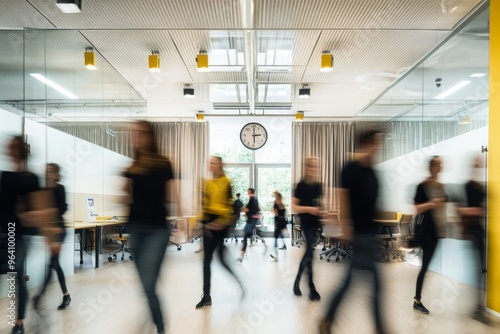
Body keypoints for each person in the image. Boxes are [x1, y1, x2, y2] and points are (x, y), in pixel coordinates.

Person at [320, 130, 386, 334]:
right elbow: (342, 199)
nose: (378, 146)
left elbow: (373, 203)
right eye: (376, 142)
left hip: (370, 234)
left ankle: (328, 319)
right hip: (359, 235)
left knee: (356, 284)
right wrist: (345, 228)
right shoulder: (350, 169)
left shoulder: (373, 172)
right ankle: (378, 327)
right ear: (366, 143)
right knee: (364, 285)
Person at [124, 120, 181, 334]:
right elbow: (126, 194)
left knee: (148, 284)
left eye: (140, 133)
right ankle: (153, 307)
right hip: (136, 227)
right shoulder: (132, 167)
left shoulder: (163, 163)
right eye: (134, 133)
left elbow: (172, 193)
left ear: (150, 136)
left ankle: (160, 327)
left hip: (157, 229)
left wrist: (181, 213)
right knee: (146, 284)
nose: (136, 137)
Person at [0, 135, 40, 334]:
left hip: (19, 233)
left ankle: (18, 322)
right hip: (4, 230)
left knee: (16, 276)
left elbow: (36, 209)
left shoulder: (31, 178)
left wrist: (26, 212)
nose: (8, 148)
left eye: (13, 145)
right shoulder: (5, 176)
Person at [196, 156, 242, 309]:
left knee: (221, 260)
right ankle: (206, 296)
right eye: (209, 163)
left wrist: (218, 224)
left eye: (214, 163)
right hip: (209, 224)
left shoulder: (226, 182)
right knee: (206, 262)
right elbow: (204, 205)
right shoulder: (206, 183)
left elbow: (228, 209)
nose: (211, 165)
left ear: (220, 165)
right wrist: (201, 223)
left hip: (220, 225)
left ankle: (239, 282)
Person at [33, 163, 71, 311]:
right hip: (49, 231)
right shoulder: (43, 190)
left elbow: (64, 207)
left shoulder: (59, 188)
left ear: (56, 174)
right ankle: (66, 295)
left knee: (52, 263)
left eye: (50, 172)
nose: (47, 174)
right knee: (55, 264)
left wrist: (51, 213)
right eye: (46, 171)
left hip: (59, 229)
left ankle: (40, 296)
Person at [412, 156, 447, 314]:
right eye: (439, 164)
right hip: (426, 231)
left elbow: (445, 206)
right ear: (432, 167)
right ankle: (417, 300)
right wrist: (432, 203)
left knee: (426, 267)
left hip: (437, 232)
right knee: (425, 267)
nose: (441, 167)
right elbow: (417, 209)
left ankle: (417, 299)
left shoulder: (440, 186)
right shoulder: (422, 186)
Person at [457, 155, 488, 322]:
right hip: (473, 232)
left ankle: (479, 307)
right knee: (478, 271)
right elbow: (461, 210)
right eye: (477, 161)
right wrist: (477, 211)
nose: (480, 163)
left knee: (481, 270)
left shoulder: (480, 186)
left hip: (481, 231)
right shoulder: (468, 186)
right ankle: (478, 308)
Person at [292, 157, 322, 301]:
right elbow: (294, 207)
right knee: (310, 253)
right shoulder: (300, 185)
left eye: (316, 166)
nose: (313, 168)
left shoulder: (319, 186)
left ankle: (297, 283)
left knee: (308, 254)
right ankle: (311, 288)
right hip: (306, 223)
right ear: (306, 167)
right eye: (311, 166)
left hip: (316, 224)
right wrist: (310, 209)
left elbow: (320, 206)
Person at [238, 188, 260, 262]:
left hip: (251, 221)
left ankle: (242, 254)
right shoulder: (256, 200)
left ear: (250, 192)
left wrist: (240, 209)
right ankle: (243, 252)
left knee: (245, 236)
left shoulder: (251, 200)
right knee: (247, 235)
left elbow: (247, 209)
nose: (247, 193)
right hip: (253, 220)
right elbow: (257, 209)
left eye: (248, 192)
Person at [270, 191, 287, 261]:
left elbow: (276, 214)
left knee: (276, 237)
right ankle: (284, 245)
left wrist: (276, 223)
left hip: (278, 222)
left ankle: (276, 255)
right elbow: (283, 214)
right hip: (283, 221)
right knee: (279, 234)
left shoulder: (275, 204)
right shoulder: (282, 204)